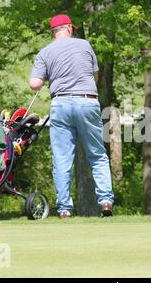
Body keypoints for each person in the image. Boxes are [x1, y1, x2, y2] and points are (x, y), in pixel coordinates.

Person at [29, 14, 114, 218]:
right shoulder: (85, 45)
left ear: (54, 32)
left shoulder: (44, 53)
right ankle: (105, 203)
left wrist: (50, 75)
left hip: (61, 103)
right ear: (68, 28)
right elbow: (94, 76)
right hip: (87, 101)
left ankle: (65, 209)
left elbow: (34, 84)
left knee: (61, 159)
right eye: (72, 28)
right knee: (97, 154)